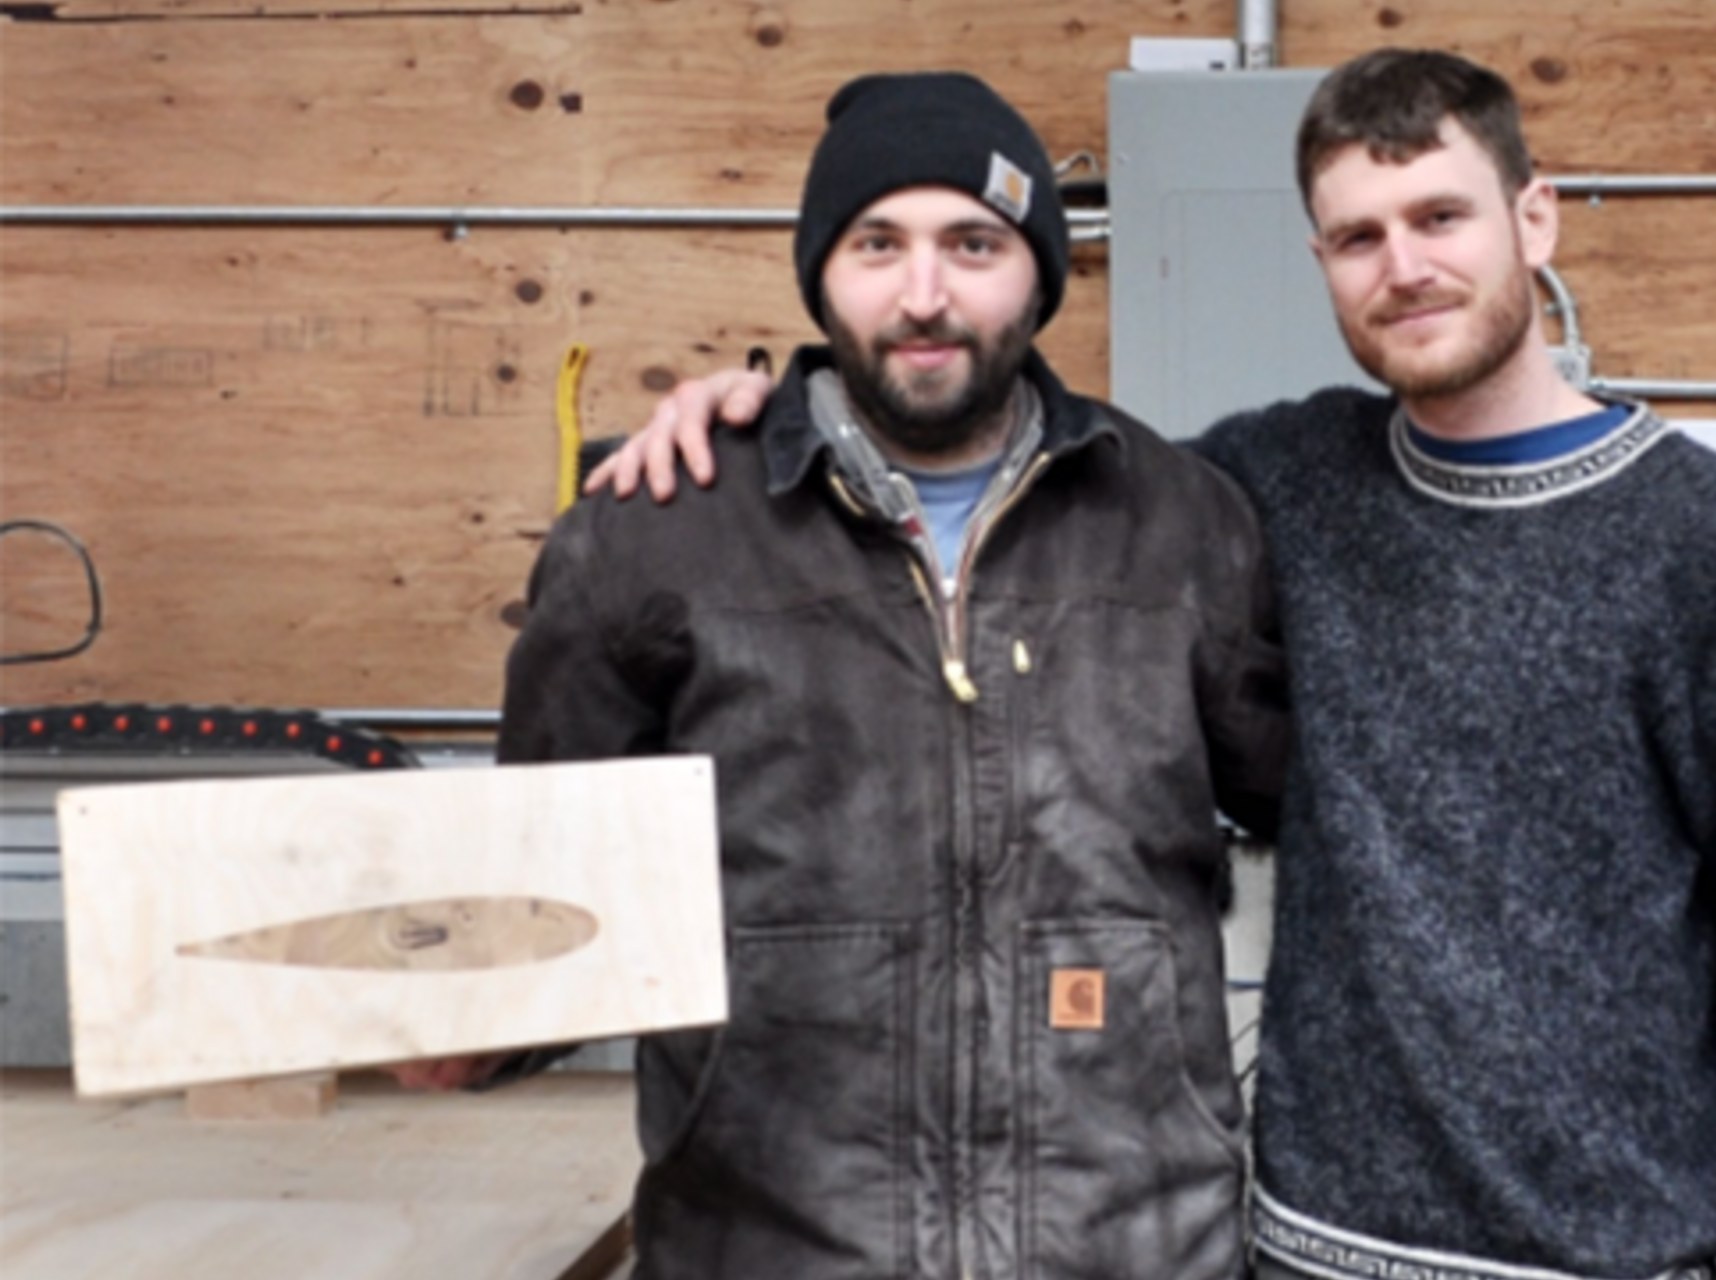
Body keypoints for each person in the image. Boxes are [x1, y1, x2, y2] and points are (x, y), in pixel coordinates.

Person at [590, 47, 1716, 1280]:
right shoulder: (1274, 484)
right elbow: (1028, 472)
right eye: (1361, 237)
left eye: (1443, 216)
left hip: (1619, 1247)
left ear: (1534, 220)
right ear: (1320, 261)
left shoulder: (1714, 541)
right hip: (1313, 1238)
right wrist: (764, 407)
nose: (1407, 267)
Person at [415, 70, 1291, 1280]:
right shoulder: (657, 529)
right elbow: (535, 866)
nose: (923, 294)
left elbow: (1328, 811)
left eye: (973, 244)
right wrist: (462, 1022)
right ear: (821, 271)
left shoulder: (1185, 523)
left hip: (1133, 1243)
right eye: (878, 242)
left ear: (1041, 271)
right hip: (771, 1243)